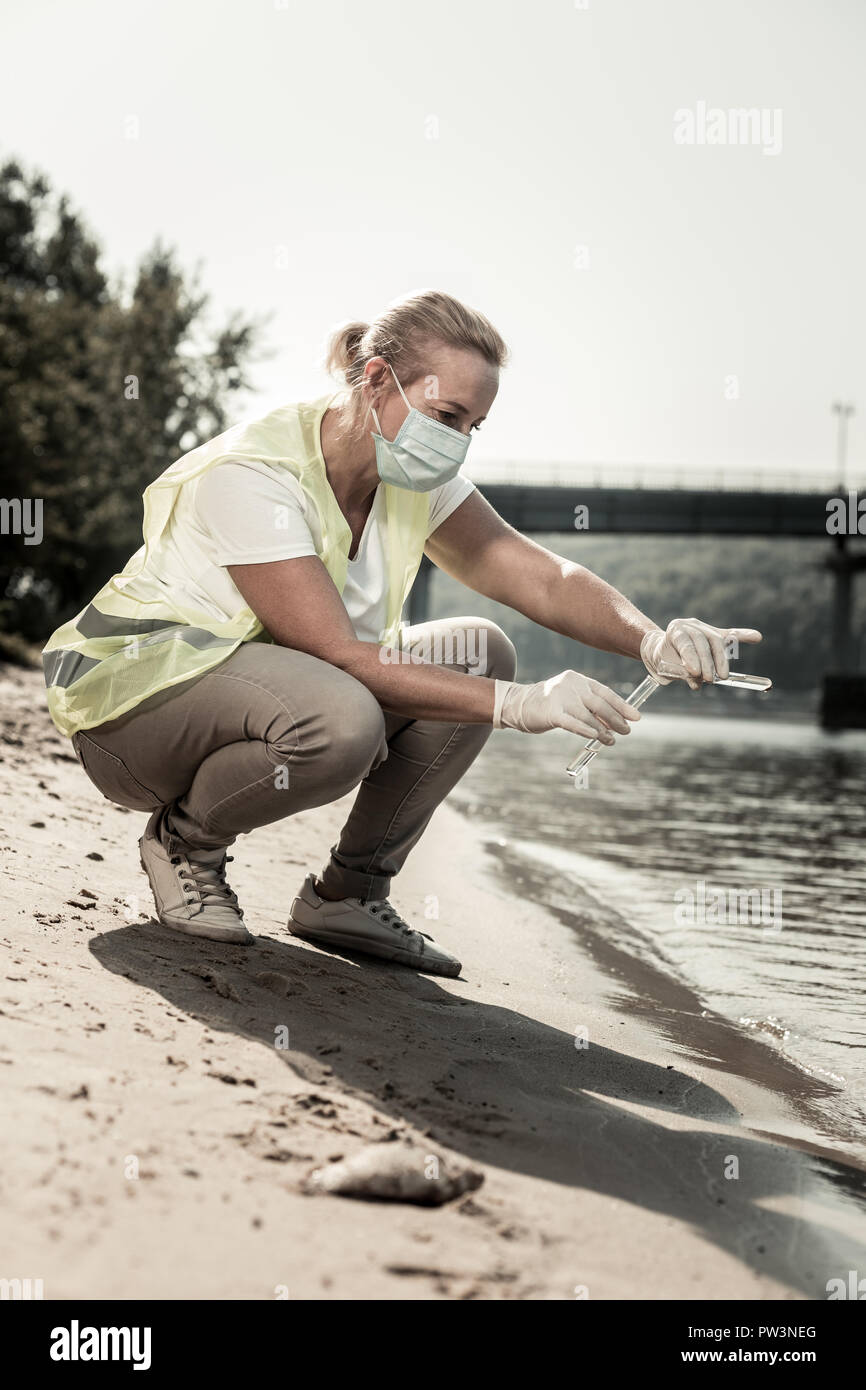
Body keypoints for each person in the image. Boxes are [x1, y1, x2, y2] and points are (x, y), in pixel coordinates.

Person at [42, 289, 761, 978]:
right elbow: (334, 651)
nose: (457, 445)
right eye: (447, 415)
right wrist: (517, 704)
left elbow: (542, 577)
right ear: (379, 379)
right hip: (132, 717)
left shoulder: (410, 474)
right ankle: (185, 842)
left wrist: (649, 640)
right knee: (343, 719)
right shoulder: (255, 475)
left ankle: (348, 896)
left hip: (260, 697)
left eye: (473, 427)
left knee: (481, 648)